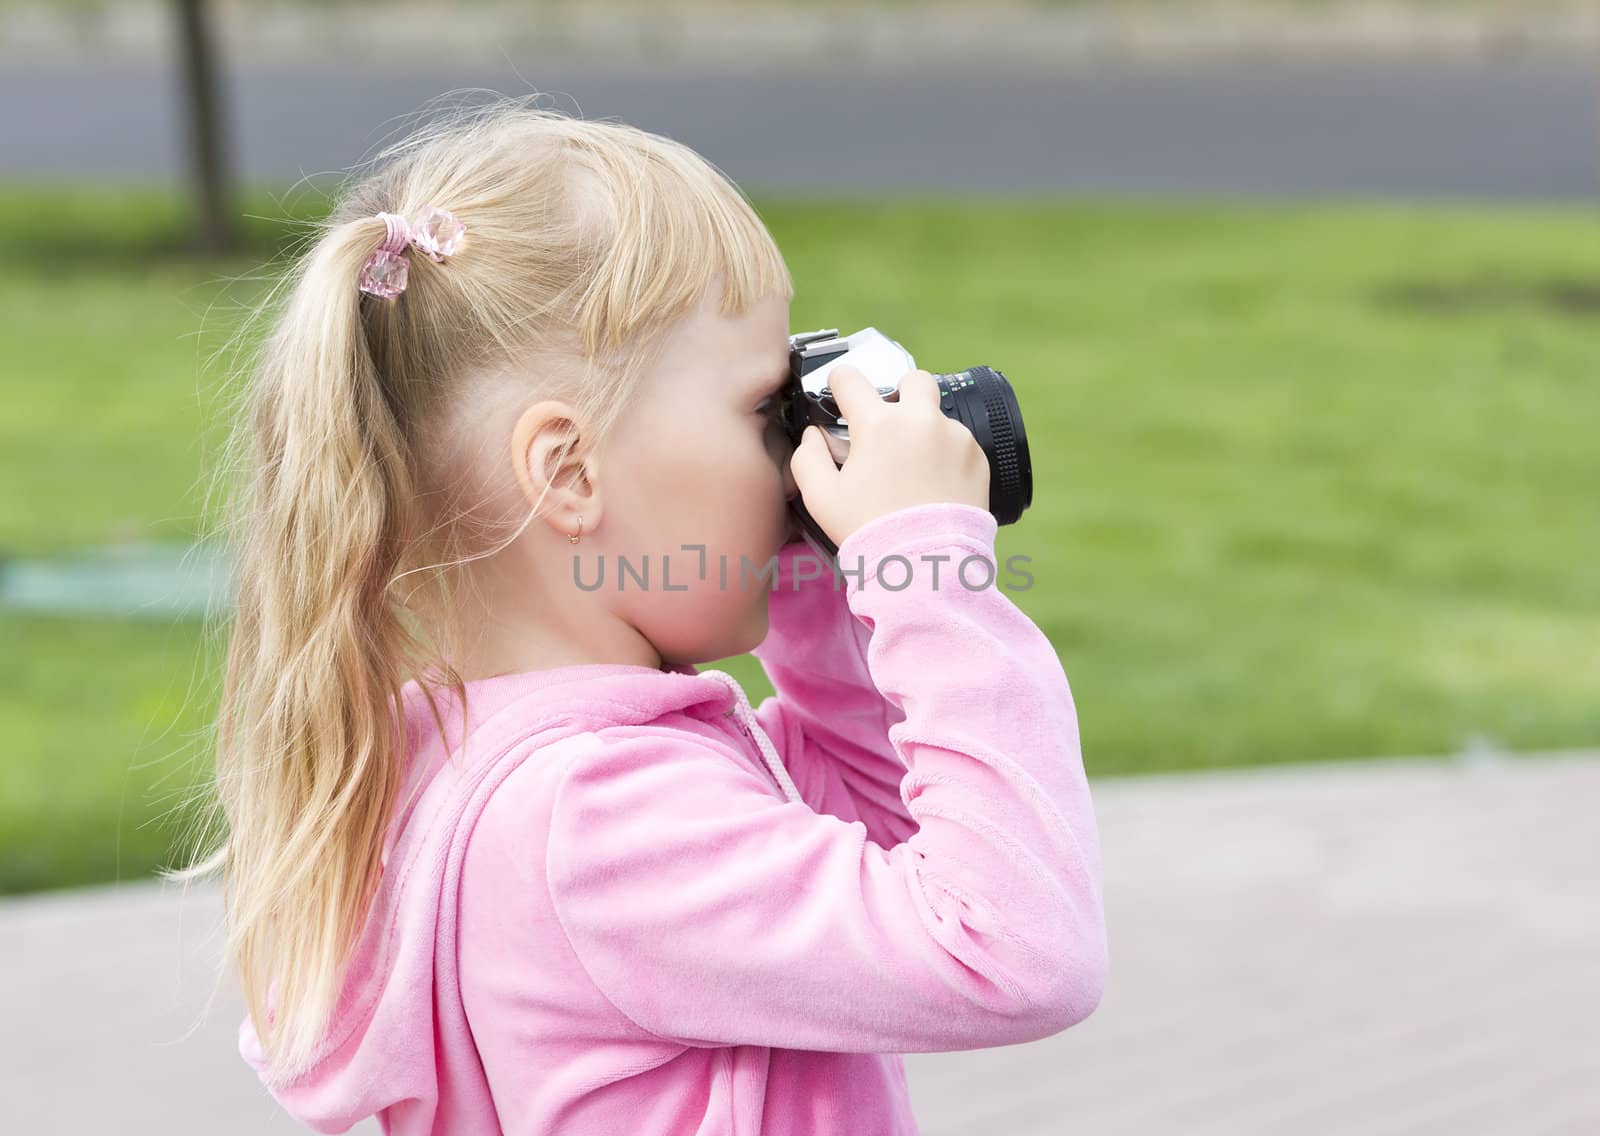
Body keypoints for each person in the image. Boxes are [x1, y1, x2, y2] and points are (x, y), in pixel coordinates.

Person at [169, 97, 1107, 1135]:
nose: (797, 447)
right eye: (767, 410)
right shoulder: (603, 822)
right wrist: (923, 564)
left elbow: (885, 831)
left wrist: (817, 563)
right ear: (568, 470)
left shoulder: (472, 761)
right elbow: (1014, 948)